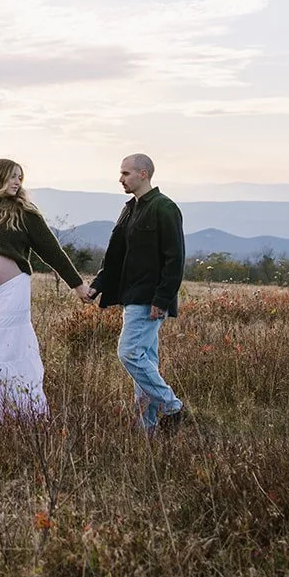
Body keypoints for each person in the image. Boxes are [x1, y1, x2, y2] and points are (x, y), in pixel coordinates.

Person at [0, 158, 94, 428]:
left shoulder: (25, 213)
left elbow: (52, 251)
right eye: (12, 176)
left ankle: (26, 413)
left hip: (11, 290)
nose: (17, 182)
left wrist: (77, 285)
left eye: (20, 177)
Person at [87, 153, 187, 434]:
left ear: (143, 174)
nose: (121, 179)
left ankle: (172, 406)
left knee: (129, 353)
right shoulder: (130, 208)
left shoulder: (164, 208)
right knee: (146, 362)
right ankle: (148, 429)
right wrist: (98, 285)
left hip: (150, 299)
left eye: (126, 173)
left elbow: (175, 258)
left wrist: (162, 299)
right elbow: (115, 255)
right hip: (131, 295)